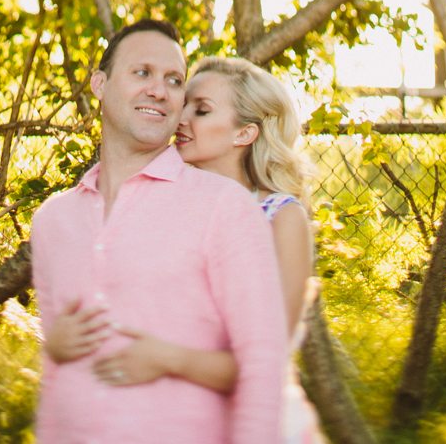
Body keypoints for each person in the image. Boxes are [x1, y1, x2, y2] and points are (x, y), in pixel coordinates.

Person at [31, 19, 288, 444]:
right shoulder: (53, 220)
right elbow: (57, 373)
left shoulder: (224, 207)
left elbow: (262, 367)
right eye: (142, 73)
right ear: (99, 84)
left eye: (174, 80)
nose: (159, 90)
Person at [88, 55, 325, 444]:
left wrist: (167, 359)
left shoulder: (280, 218)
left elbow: (264, 362)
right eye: (185, 105)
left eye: (201, 110)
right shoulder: (156, 205)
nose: (180, 119)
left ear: (243, 134)